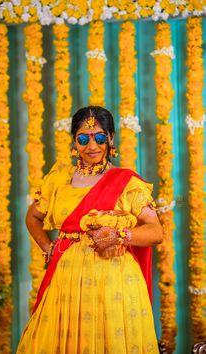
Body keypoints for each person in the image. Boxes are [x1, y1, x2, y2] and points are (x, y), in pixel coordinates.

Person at [17, 106, 163, 354]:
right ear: (74, 141)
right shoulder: (60, 178)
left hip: (113, 279)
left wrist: (119, 235)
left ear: (111, 139)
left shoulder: (126, 182)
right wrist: (47, 246)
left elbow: (155, 232)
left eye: (99, 137)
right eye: (83, 138)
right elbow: (32, 217)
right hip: (67, 280)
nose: (91, 146)